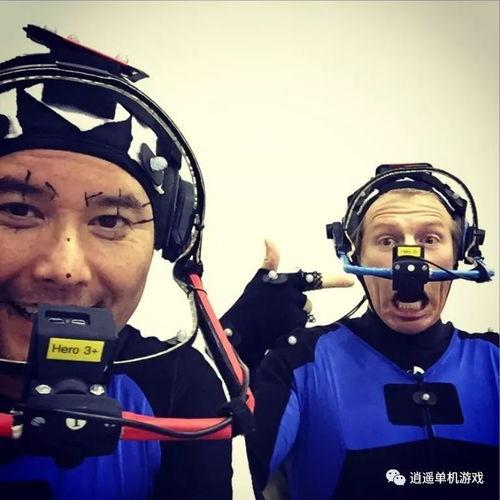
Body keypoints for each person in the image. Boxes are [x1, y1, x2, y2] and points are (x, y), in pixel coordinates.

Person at [0, 25, 315, 499]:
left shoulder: (177, 387)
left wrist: (237, 341)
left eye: (110, 220)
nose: (65, 269)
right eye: (18, 210)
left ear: (168, 239)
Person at [247, 164, 498, 500]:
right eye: (387, 240)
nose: (409, 260)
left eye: (430, 239)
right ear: (356, 255)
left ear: (458, 254)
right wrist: (238, 346)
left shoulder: (494, 361)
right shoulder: (298, 361)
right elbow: (222, 466)